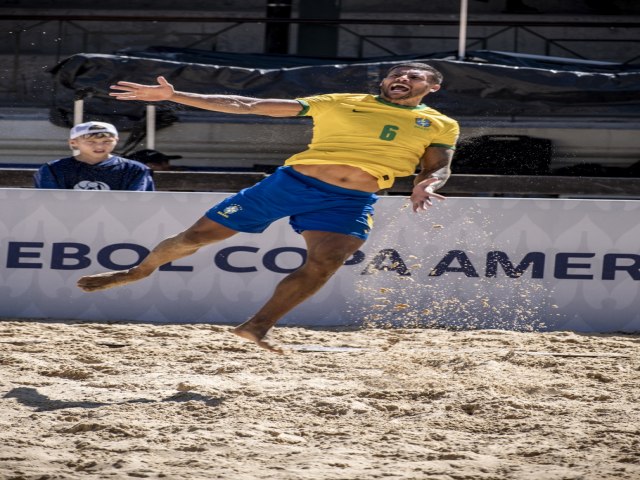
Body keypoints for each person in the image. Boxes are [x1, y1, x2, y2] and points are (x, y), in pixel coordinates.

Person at [76, 63, 459, 353]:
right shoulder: (341, 103)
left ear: (433, 87)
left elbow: (438, 166)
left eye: (413, 77)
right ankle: (141, 270)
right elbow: (249, 104)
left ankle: (257, 326)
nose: (402, 79)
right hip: (291, 184)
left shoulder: (440, 123)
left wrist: (428, 182)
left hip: (351, 200)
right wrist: (176, 96)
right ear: (383, 82)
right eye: (396, 74)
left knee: (325, 263)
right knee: (196, 236)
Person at [34, 121, 155, 191]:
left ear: (116, 140)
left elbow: (138, 203)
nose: (99, 146)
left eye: (107, 141)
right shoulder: (54, 169)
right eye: (91, 142)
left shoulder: (135, 170)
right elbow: (50, 201)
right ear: (73, 142)